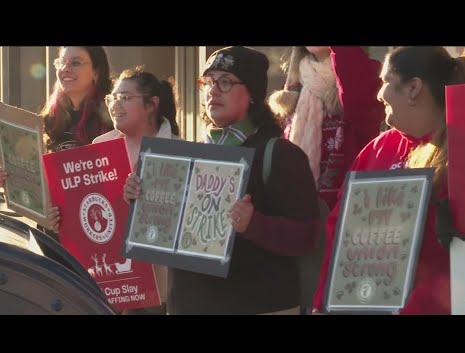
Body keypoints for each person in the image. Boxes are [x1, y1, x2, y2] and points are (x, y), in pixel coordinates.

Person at [124, 46, 320, 315]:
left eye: (225, 82)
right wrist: (141, 199)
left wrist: (254, 225)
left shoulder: (279, 153)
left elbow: (307, 238)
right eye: (207, 82)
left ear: (252, 94)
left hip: (258, 305)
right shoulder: (185, 156)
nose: (213, 90)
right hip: (189, 304)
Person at [311, 46, 465, 315]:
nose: (380, 94)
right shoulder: (376, 151)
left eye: (386, 82)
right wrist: (322, 302)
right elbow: (339, 235)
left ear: (413, 88)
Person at [48, 66, 181, 315]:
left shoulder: (180, 151)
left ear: (151, 105)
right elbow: (90, 211)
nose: (115, 105)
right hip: (112, 281)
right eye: (113, 98)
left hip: (164, 284)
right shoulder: (100, 146)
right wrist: (63, 217)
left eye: (125, 98)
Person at [0, 47, 112, 240]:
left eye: (75, 63)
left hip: (97, 234)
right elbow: (36, 180)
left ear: (96, 71)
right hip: (52, 236)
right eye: (61, 62)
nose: (65, 69)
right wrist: (10, 179)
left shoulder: (113, 119)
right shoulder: (46, 122)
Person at [269, 46, 384, 210]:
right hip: (296, 212)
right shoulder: (294, 84)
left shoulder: (366, 73)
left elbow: (357, 104)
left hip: (347, 206)